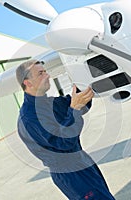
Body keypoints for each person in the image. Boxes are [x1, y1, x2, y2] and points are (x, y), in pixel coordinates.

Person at [16, 59, 115, 200]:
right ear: (28, 82)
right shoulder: (30, 117)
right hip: (71, 173)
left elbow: (81, 104)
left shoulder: (49, 103)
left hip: (82, 162)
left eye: (45, 72)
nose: (47, 76)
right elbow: (64, 142)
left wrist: (82, 83)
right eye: (41, 73)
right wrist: (74, 108)